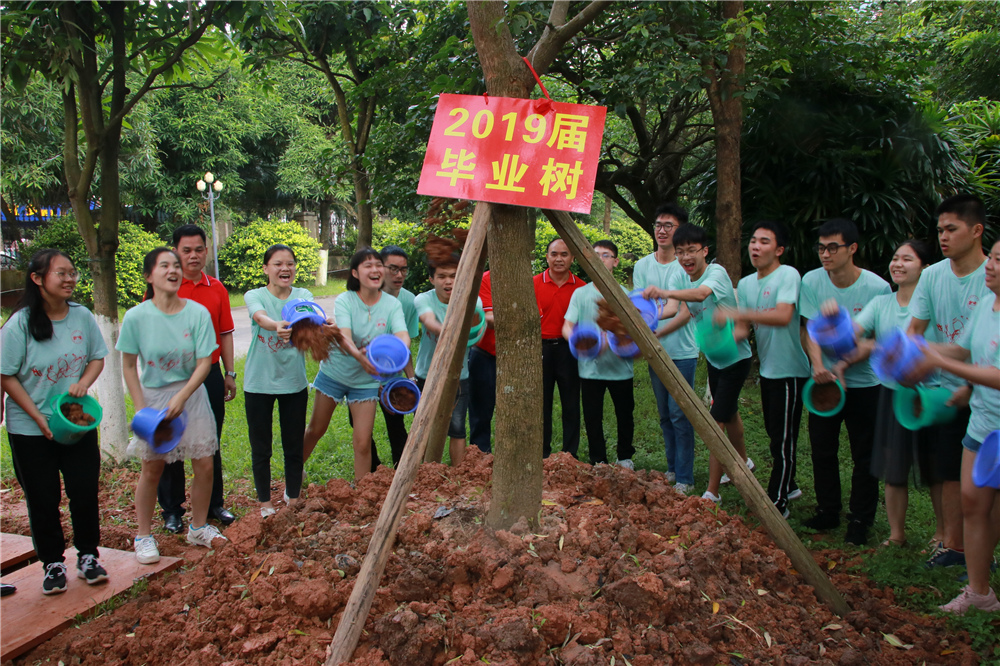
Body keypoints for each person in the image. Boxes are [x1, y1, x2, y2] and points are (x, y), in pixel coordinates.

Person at [1, 249, 109, 594]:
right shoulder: (19, 324)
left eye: (73, 273)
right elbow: (6, 376)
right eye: (61, 273)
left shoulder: (81, 317)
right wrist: (37, 417)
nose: (69, 279)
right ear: (37, 279)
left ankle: (88, 556)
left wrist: (84, 383)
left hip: (76, 424)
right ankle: (52, 563)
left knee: (83, 491)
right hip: (30, 429)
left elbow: (96, 358)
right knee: (43, 498)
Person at [118, 248, 227, 564]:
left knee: (204, 463)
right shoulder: (136, 317)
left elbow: (205, 361)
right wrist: (142, 410)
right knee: (152, 467)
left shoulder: (196, 313)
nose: (173, 270)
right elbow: (128, 365)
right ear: (149, 276)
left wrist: (182, 397)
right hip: (153, 398)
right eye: (164, 265)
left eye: (176, 265)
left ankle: (198, 527)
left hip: (191, 395)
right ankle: (142, 535)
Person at [912, 239, 1000, 613]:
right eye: (993, 258)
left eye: (999, 261)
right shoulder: (985, 305)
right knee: (973, 504)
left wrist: (940, 362)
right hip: (982, 424)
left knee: (993, 509)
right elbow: (964, 351)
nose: (991, 266)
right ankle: (979, 593)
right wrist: (918, 350)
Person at [642, 224, 753, 504]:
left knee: (716, 421)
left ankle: (711, 491)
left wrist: (665, 291)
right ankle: (743, 463)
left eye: (691, 250)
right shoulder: (682, 278)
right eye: (680, 252)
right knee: (730, 414)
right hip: (716, 358)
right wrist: (655, 328)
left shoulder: (715, 273)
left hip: (736, 358)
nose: (685, 257)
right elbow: (680, 311)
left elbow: (700, 295)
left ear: (704, 251)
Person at [907, 194, 990, 568]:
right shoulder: (933, 275)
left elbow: (979, 350)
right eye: (940, 229)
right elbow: (915, 332)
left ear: (976, 231)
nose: (943, 237)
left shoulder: (991, 279)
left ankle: (969, 551)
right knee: (947, 471)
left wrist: (966, 384)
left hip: (984, 393)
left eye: (951, 229)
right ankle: (954, 544)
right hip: (941, 390)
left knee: (982, 482)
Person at [799, 218, 891, 545]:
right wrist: (819, 365)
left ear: (852, 248)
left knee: (864, 454)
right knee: (823, 448)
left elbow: (877, 341)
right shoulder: (811, 281)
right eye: (821, 247)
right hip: (823, 381)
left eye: (832, 247)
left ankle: (860, 520)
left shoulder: (877, 288)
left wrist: (843, 364)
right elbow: (808, 329)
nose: (825, 254)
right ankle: (827, 512)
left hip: (865, 383)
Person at [846, 240, 936, 546]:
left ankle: (944, 536)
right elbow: (852, 336)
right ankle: (897, 534)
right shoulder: (882, 303)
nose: (897, 264)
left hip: (929, 393)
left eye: (907, 259)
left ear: (924, 267)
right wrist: (833, 325)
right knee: (893, 466)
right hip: (892, 393)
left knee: (937, 467)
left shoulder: (931, 303)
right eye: (895, 258)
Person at [716, 221, 810, 517]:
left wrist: (739, 312)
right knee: (774, 433)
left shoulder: (788, 275)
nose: (755, 246)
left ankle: (778, 502)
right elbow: (743, 329)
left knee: (783, 439)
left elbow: (783, 316)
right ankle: (790, 485)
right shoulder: (745, 284)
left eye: (764, 242)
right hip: (768, 370)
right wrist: (716, 341)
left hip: (791, 370)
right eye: (753, 240)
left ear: (779, 249)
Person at [302, 248, 409, 481]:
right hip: (335, 373)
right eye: (368, 265)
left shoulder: (392, 305)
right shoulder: (345, 300)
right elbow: (345, 337)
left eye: (378, 265)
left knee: (362, 443)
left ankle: (361, 495)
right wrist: (362, 358)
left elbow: (403, 335)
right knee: (315, 430)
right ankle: (293, 474)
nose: (375, 269)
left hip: (366, 381)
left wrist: (400, 351)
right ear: (355, 273)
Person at [157, 225, 236, 534]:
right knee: (171, 442)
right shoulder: (164, 288)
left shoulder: (216, 288)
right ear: (175, 252)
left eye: (199, 249)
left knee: (209, 441)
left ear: (207, 251)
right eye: (186, 250)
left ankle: (214, 504)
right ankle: (172, 510)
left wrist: (229, 373)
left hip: (211, 375)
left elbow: (226, 333)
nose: (193, 255)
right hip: (172, 377)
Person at [243, 244, 313, 518]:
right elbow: (258, 315)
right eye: (277, 264)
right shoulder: (254, 295)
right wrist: (276, 325)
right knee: (261, 448)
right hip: (258, 383)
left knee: (293, 445)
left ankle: (292, 499)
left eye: (290, 264)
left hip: (294, 383)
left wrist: (313, 324)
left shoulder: (303, 294)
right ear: (266, 269)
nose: (285, 268)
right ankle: (265, 504)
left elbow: (308, 315)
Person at [632, 203, 697, 493]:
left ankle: (685, 477)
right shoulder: (642, 265)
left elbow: (682, 311)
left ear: (680, 230)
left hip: (681, 350)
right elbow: (638, 306)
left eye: (668, 226)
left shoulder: (686, 266)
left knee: (680, 413)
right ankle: (672, 468)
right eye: (658, 225)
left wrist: (653, 330)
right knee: (663, 413)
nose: (661, 230)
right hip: (653, 350)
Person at [562, 240, 635, 468]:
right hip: (590, 369)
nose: (600, 259)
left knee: (625, 415)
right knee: (593, 417)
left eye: (606, 255)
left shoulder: (625, 295)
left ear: (615, 261)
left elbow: (635, 332)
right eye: (595, 255)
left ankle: (625, 457)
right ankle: (598, 460)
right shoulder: (580, 294)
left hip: (621, 369)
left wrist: (616, 340)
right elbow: (567, 326)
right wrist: (581, 343)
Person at [414, 255, 482, 466]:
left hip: (458, 376)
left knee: (458, 428)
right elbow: (429, 322)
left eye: (454, 276)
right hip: (427, 374)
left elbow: (476, 328)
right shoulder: (423, 299)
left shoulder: (473, 300)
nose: (448, 281)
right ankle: (422, 473)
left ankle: (457, 474)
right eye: (442, 276)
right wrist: (452, 332)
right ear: (431, 279)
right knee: (422, 427)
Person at [361, 245, 419, 470]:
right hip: (362, 375)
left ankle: (402, 471)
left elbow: (406, 348)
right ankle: (373, 471)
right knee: (359, 426)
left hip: (393, 378)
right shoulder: (363, 298)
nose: (399, 275)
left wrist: (411, 380)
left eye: (404, 270)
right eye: (393, 269)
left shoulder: (409, 300)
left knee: (396, 425)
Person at [534, 238, 585, 458]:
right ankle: (542, 454)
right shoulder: (533, 283)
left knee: (571, 403)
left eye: (564, 254)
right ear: (546, 257)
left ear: (573, 258)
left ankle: (569, 454)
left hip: (569, 349)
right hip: (540, 349)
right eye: (554, 254)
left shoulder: (581, 287)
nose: (559, 259)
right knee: (541, 404)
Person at [467, 270, 496, 453]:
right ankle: (480, 454)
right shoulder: (485, 279)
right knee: (480, 411)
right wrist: (518, 313)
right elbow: (487, 318)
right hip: (485, 352)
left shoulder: (525, 277)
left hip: (516, 355)